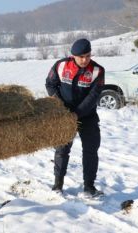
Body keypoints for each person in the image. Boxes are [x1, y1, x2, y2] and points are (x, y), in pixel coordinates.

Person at [45, 38, 105, 198]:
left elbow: (93, 96)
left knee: (91, 151)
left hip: (87, 116)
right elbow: (50, 84)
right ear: (73, 56)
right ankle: (58, 185)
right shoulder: (61, 65)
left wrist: (76, 114)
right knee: (61, 150)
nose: (85, 60)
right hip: (64, 115)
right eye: (81, 57)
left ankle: (89, 187)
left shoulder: (98, 71)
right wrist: (59, 104)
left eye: (88, 55)